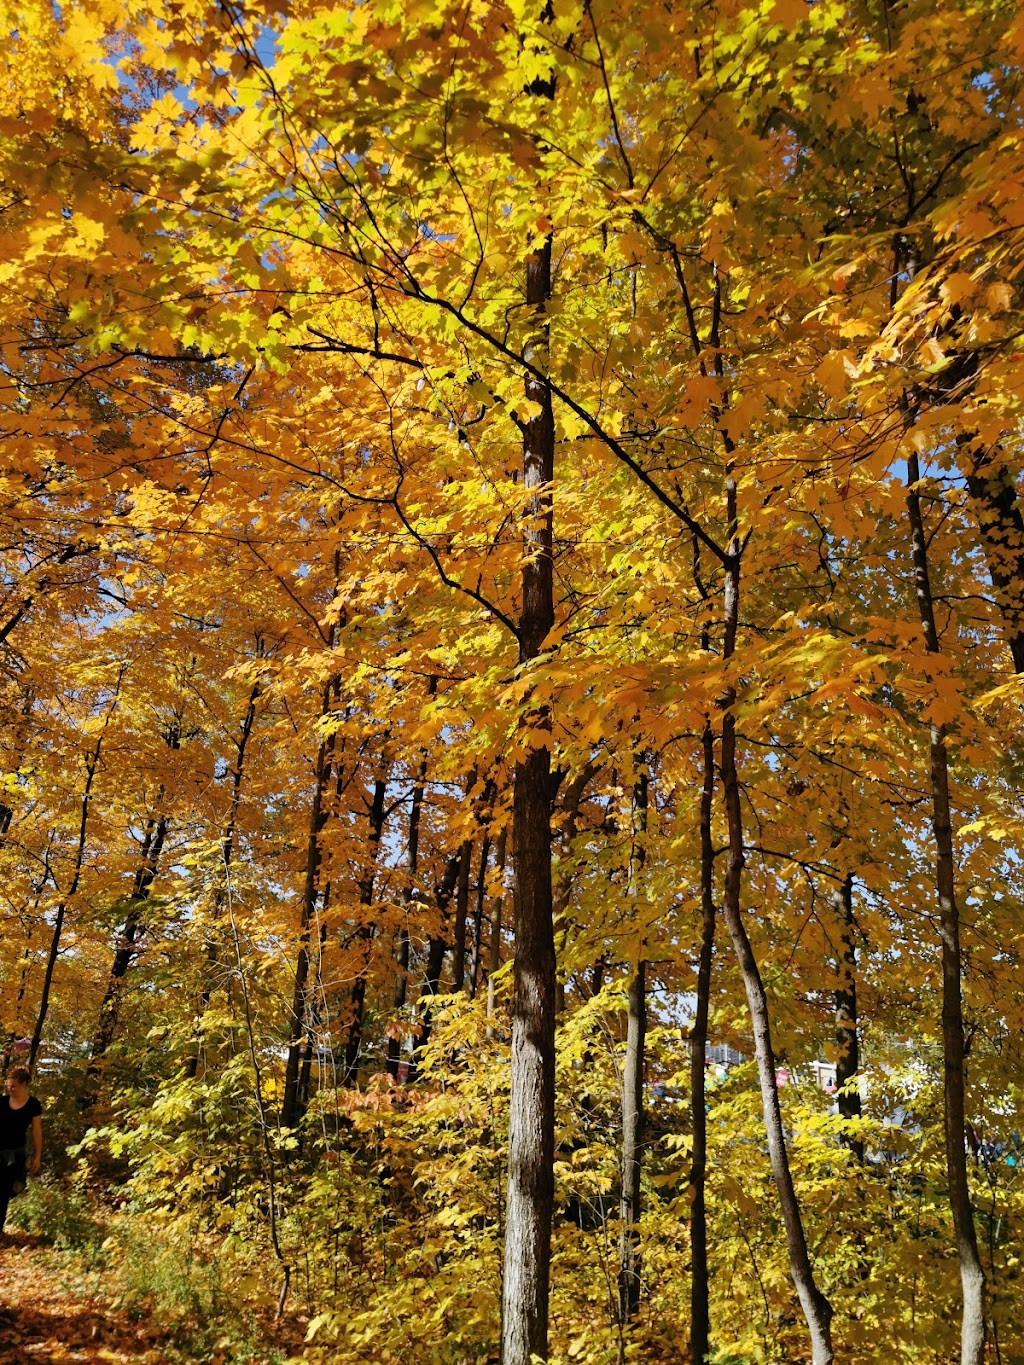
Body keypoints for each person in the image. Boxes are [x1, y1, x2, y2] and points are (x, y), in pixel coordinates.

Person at [0, 1065, 43, 1232]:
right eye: (8, 1086)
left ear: (24, 1084)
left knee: (6, 1192)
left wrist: (37, 1155)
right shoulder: (1, 1102)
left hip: (15, 1154)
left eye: (13, 1086)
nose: (10, 1089)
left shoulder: (33, 1105)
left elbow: (36, 1131)